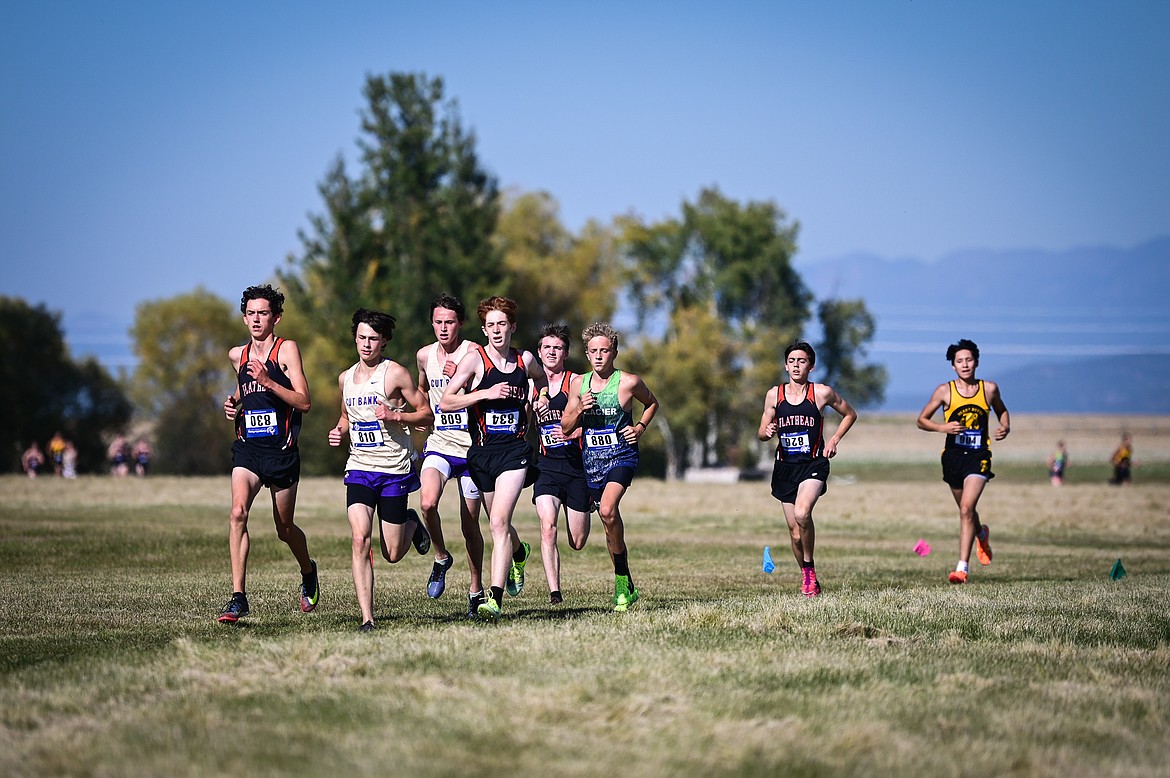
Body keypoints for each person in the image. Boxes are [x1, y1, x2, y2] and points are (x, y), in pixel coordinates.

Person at [439, 296, 545, 621]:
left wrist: (538, 398)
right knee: (497, 523)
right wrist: (485, 393)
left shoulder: (524, 359)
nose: (497, 331)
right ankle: (519, 551)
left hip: (515, 452)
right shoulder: (475, 359)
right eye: (490, 325)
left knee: (498, 522)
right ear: (483, 329)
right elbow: (446, 401)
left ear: (512, 326)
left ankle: (494, 600)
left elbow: (540, 380)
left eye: (502, 324)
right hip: (483, 453)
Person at [328, 308, 434, 631]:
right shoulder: (345, 379)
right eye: (361, 337)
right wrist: (339, 429)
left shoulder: (396, 375)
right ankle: (367, 619)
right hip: (359, 468)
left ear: (384, 341)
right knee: (360, 539)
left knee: (390, 552)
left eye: (373, 339)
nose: (366, 344)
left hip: (394, 471)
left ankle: (412, 525)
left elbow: (426, 414)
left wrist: (396, 417)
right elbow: (347, 417)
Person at [218, 284, 318, 624]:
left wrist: (270, 381)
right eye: (251, 313)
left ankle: (307, 571)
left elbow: (304, 401)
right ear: (244, 318)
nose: (257, 319)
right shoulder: (238, 355)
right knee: (237, 513)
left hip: (282, 452)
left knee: (284, 528)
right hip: (248, 449)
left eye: (264, 313)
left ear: (276, 317)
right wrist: (234, 404)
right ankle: (238, 597)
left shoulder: (285, 350)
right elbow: (245, 391)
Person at [560, 322, 659, 612]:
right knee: (607, 524)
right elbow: (566, 427)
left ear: (614, 352)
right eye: (593, 351)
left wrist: (639, 428)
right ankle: (625, 579)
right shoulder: (578, 384)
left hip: (622, 456)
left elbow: (652, 403)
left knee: (607, 509)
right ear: (587, 355)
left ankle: (619, 584)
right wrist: (579, 408)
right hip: (591, 462)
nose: (599, 356)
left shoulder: (628, 382)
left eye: (605, 350)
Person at [756, 341, 858, 597]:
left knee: (803, 514)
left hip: (814, 464)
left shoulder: (821, 393)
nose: (796, 365)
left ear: (811, 366)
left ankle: (809, 570)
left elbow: (849, 414)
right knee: (794, 533)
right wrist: (766, 432)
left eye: (801, 361)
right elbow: (761, 431)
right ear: (785, 365)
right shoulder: (774, 395)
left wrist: (833, 440)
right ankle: (807, 576)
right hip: (785, 467)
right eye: (792, 361)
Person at [414, 294, 488, 615]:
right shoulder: (423, 355)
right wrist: (419, 413)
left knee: (469, 525)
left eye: (450, 322)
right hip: (440, 443)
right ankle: (442, 557)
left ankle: (476, 591)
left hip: (470, 448)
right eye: (438, 322)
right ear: (432, 322)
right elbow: (420, 389)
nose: (444, 328)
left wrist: (462, 381)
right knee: (427, 503)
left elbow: (486, 394)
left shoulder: (473, 352)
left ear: (460, 323)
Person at [917, 338, 1010, 585]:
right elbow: (921, 420)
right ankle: (981, 533)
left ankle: (962, 568)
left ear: (976, 362)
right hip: (953, 458)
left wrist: (1005, 426)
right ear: (953, 366)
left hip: (979, 457)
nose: (965, 364)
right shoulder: (944, 391)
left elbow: (1001, 409)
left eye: (969, 360)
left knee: (967, 509)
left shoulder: (988, 389)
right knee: (965, 511)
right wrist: (942, 427)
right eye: (960, 361)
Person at [531, 324, 591, 605]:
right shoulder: (532, 385)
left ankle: (586, 502)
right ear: (539, 353)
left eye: (557, 348)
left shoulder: (577, 382)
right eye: (547, 348)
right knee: (547, 526)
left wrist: (575, 431)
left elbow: (596, 422)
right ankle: (555, 593)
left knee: (577, 542)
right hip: (547, 467)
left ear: (565, 353)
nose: (552, 352)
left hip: (576, 467)